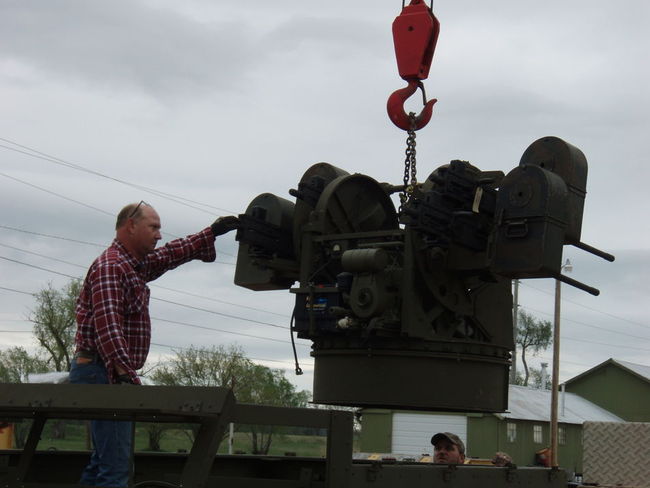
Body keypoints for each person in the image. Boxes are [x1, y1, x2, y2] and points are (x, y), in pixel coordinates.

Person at [68, 201, 239, 487]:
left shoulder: (131, 264)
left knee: (103, 463)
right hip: (104, 372)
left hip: (103, 371)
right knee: (116, 468)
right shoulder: (112, 267)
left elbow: (168, 256)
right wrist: (127, 376)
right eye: (154, 227)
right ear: (130, 226)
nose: (159, 234)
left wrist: (211, 232)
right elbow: (108, 328)